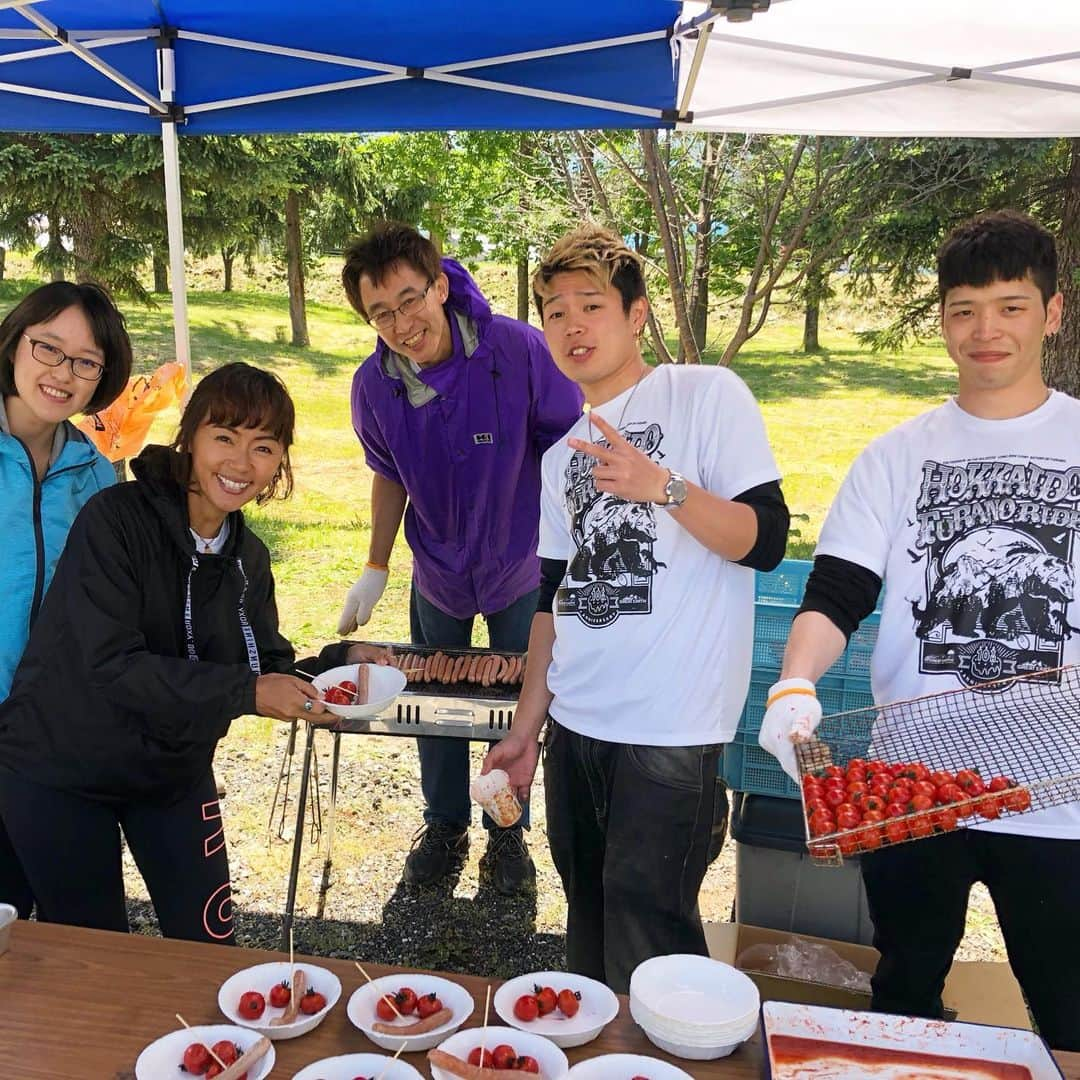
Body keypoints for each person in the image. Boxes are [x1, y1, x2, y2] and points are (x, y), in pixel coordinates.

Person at [758, 210, 1080, 1051]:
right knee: (902, 988)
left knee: (1071, 1005)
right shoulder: (897, 455)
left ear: (1052, 313)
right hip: (917, 781)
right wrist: (795, 680)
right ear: (943, 320)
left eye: (1012, 307)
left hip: (1061, 796)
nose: (987, 330)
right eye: (966, 308)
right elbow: (839, 591)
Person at [483, 224, 789, 992]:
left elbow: (765, 540)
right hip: (578, 725)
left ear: (637, 314)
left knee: (650, 924)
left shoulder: (706, 395)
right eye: (554, 311)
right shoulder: (563, 455)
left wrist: (664, 487)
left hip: (672, 728)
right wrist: (526, 729)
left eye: (591, 304)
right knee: (587, 921)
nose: (573, 324)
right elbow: (554, 604)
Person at [0, 362, 342, 943]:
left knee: (208, 945)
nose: (240, 464)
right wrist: (247, 693)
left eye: (263, 447)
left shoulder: (247, 558)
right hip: (59, 768)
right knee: (93, 954)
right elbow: (109, 666)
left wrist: (341, 663)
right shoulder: (117, 520)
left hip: (170, 770)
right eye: (225, 438)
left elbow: (262, 668)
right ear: (190, 437)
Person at [338, 223, 582, 894]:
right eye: (380, 312)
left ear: (440, 286)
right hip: (439, 572)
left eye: (410, 299)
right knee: (429, 698)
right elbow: (386, 471)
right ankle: (444, 827)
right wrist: (377, 566)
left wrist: (574, 551)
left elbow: (568, 447)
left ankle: (508, 835)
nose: (401, 323)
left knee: (514, 701)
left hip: (520, 564)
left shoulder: (518, 351)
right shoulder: (374, 385)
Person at [0, 281, 133, 920]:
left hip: (53, 738)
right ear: (15, 342)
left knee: (81, 927)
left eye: (85, 362)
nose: (62, 374)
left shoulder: (96, 475)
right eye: (48, 348)